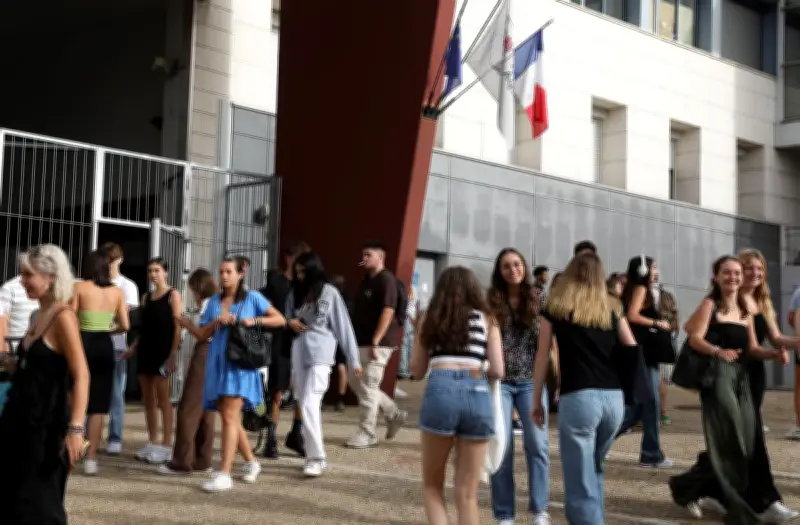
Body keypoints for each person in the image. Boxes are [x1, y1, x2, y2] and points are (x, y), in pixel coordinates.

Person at [668, 255, 789, 523]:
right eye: (727, 273)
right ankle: (737, 507)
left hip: (742, 378)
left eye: (736, 273)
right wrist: (717, 351)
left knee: (745, 442)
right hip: (720, 378)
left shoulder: (746, 308)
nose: (733, 277)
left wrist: (774, 354)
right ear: (716, 277)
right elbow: (695, 337)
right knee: (732, 438)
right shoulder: (710, 304)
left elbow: (753, 348)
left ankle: (688, 488)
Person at [532, 251, 635, 524]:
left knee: (579, 480)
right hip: (613, 399)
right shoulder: (613, 307)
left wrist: (535, 400)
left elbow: (542, 356)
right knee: (594, 469)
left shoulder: (555, 307)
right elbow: (632, 347)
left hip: (579, 397)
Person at [0, 244, 90, 524]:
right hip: (19, 418)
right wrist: (8, 361)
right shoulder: (36, 316)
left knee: (40, 503)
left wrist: (76, 429)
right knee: (12, 496)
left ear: (51, 277)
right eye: (22, 274)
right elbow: (33, 366)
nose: (23, 281)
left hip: (46, 425)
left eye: (29, 274)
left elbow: (81, 374)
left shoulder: (63, 317)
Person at [413, 266, 504, 525]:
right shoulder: (488, 319)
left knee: (432, 487)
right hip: (477, 390)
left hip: (440, 388)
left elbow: (417, 371)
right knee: (467, 495)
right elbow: (498, 370)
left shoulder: (429, 318)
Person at [195, 257, 285, 492]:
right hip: (219, 362)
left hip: (241, 364)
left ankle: (224, 473)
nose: (224, 276)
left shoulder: (253, 297)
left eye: (228, 272)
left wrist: (252, 320)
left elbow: (279, 319)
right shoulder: (214, 301)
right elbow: (202, 334)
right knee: (229, 416)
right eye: (221, 271)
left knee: (228, 416)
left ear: (239, 274)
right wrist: (217, 320)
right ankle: (251, 462)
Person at [487, 248, 551, 525]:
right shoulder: (491, 300)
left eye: (516, 264)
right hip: (499, 382)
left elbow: (549, 345)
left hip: (530, 382)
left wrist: (553, 380)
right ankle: (504, 515)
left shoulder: (539, 299)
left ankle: (539, 511)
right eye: (506, 266)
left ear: (524, 267)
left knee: (537, 445)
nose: (512, 269)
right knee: (502, 446)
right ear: (499, 271)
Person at [285, 252, 362, 476]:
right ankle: (313, 455)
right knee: (307, 403)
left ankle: (317, 457)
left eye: (303, 271)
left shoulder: (329, 293)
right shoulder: (294, 293)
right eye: (297, 271)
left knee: (309, 401)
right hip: (298, 353)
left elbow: (343, 327)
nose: (299, 276)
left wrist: (353, 358)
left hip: (321, 355)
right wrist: (290, 323)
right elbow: (285, 318)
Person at [71, 250, 130, 475]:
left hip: (82, 341)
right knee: (99, 406)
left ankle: (71, 449)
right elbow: (125, 325)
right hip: (104, 344)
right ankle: (92, 459)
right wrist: (107, 328)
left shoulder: (79, 288)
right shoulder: (117, 292)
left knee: (75, 393)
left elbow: (71, 317)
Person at [346, 240, 407, 449]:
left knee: (369, 385)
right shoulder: (365, 280)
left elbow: (388, 311)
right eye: (363, 254)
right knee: (356, 383)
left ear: (380, 258)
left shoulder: (386, 280)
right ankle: (393, 412)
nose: (363, 258)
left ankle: (367, 432)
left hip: (378, 343)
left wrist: (376, 340)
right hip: (361, 340)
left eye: (368, 255)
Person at [615, 255, 672, 468]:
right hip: (643, 352)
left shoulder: (636, 289)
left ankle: (600, 440)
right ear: (643, 270)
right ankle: (651, 453)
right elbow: (632, 316)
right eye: (653, 268)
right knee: (651, 402)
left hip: (642, 351)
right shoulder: (640, 289)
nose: (656, 272)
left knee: (641, 406)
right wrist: (657, 322)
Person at [124, 258, 183, 465]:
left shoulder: (172, 295)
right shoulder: (146, 297)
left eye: (157, 270)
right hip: (146, 351)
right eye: (150, 271)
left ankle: (167, 444)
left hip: (163, 351)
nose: (153, 275)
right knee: (147, 399)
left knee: (163, 398)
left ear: (165, 272)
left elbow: (178, 326)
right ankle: (153, 440)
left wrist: (173, 353)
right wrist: (133, 347)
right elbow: (144, 328)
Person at [160, 269, 218, 475]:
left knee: (188, 408)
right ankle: (203, 459)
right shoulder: (218, 302)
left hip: (205, 353)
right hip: (215, 356)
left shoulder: (209, 305)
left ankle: (181, 461)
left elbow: (204, 334)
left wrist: (184, 322)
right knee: (206, 410)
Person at [259, 241, 310, 459]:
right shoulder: (276, 281)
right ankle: (271, 437)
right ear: (289, 258)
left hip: (302, 343)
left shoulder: (306, 286)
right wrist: (287, 321)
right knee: (277, 391)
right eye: (296, 258)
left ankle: (296, 434)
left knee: (302, 392)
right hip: (280, 342)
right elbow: (265, 309)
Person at [101, 242, 139, 456]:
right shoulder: (97, 283)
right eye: (105, 259)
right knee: (92, 391)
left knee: (116, 393)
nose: (108, 264)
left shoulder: (127, 286)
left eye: (111, 260)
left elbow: (128, 318)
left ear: (119, 260)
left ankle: (115, 437)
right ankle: (88, 434)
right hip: (96, 343)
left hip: (118, 345)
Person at [330, 274, 355, 410]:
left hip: (331, 336)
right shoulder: (349, 299)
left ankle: (323, 398)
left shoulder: (332, 298)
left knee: (328, 367)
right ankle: (340, 398)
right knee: (341, 366)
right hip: (344, 336)